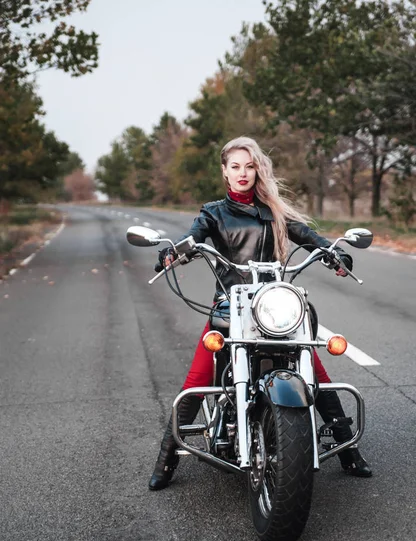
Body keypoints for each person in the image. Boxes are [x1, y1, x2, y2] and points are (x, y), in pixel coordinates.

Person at [149, 136, 372, 491]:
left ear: (257, 170)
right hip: (230, 305)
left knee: (314, 368)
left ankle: (348, 450)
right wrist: (173, 253)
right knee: (197, 379)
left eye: (249, 166)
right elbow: (193, 237)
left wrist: (334, 254)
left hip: (271, 303)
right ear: (224, 171)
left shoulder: (274, 212)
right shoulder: (213, 212)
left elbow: (309, 236)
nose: (242, 173)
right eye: (235, 166)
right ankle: (167, 459)